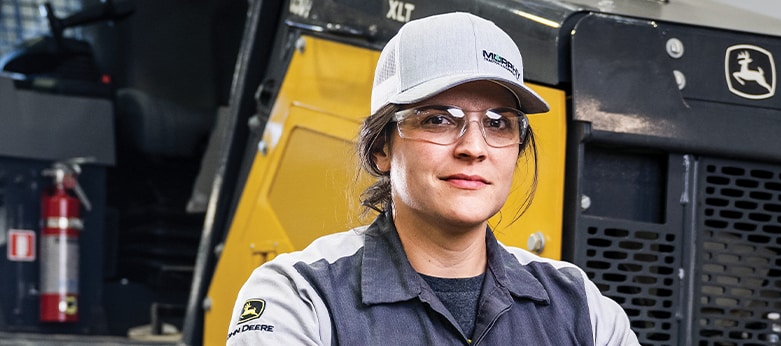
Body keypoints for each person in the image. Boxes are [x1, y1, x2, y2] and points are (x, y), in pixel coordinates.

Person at [225, 12, 640, 345]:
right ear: (381, 148)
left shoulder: (579, 306)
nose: (474, 147)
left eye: (499, 123)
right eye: (439, 120)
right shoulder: (301, 298)